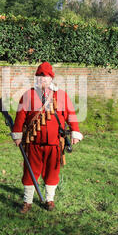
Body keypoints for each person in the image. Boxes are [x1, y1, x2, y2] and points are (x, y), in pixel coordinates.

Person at [11, 62, 83, 213]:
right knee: (30, 171)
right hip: (33, 143)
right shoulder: (28, 95)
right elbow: (20, 117)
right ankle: (27, 202)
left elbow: (71, 114)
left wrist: (75, 131)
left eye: (45, 77)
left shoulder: (61, 95)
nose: (42, 80)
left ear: (51, 79)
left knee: (52, 172)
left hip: (55, 143)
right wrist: (17, 135)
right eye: (39, 77)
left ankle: (49, 199)